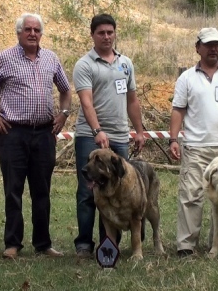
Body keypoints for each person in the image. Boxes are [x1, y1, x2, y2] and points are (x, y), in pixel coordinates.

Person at [0, 13, 71, 259]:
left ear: (41, 34)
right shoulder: (4, 58)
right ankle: (13, 244)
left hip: (44, 134)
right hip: (13, 133)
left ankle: (43, 244)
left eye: (37, 30)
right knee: (13, 189)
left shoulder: (51, 58)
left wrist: (64, 114)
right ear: (19, 33)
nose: (33, 34)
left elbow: (66, 90)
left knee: (42, 190)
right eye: (28, 29)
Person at [168, 27, 218, 257]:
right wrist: (173, 138)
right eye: (208, 44)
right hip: (195, 148)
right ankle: (186, 245)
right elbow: (178, 110)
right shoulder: (186, 78)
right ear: (198, 48)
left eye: (217, 44)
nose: (214, 48)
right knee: (191, 195)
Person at [73, 13, 145, 259]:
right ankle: (84, 244)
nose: (106, 36)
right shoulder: (85, 64)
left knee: (120, 188)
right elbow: (86, 102)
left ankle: (109, 245)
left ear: (115, 33)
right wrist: (97, 131)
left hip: (120, 136)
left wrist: (138, 131)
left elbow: (132, 100)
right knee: (88, 190)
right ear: (92, 35)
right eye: (101, 32)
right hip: (89, 135)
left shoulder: (126, 64)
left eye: (110, 32)